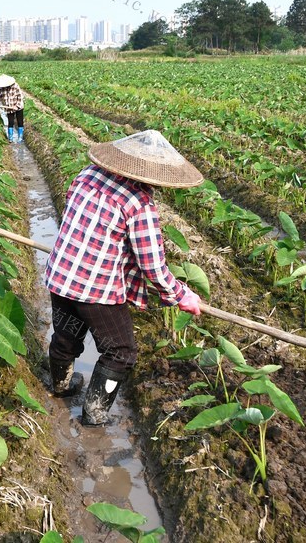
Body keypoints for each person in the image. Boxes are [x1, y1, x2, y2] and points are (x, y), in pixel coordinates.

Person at [43, 130, 204, 425]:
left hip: (61, 275)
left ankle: (60, 387)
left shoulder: (86, 175)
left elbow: (77, 218)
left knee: (66, 336)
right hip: (96, 289)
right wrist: (181, 294)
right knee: (120, 351)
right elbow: (152, 265)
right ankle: (94, 414)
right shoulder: (138, 202)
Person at [0, 74, 25, 143]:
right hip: (9, 108)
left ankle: (20, 138)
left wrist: (16, 106)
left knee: (20, 122)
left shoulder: (15, 86)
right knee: (10, 122)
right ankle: (10, 138)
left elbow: (20, 97)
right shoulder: (1, 89)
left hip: (18, 107)